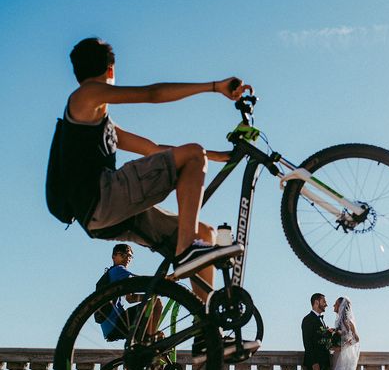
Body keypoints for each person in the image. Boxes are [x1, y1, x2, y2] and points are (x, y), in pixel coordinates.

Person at [49, 37, 252, 302]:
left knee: (204, 233)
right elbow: (152, 94)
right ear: (111, 69)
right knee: (193, 159)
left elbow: (153, 149)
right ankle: (186, 248)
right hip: (103, 198)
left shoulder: (98, 120)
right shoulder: (87, 95)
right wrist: (214, 87)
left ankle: (207, 331)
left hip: (106, 216)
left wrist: (218, 156)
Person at [94, 244, 161, 341]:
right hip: (117, 322)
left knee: (160, 337)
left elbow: (131, 298)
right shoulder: (118, 270)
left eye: (129, 256)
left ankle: (147, 344)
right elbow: (141, 282)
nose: (127, 258)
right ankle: (148, 340)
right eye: (122, 254)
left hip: (110, 328)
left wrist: (152, 294)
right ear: (113, 257)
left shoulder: (112, 275)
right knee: (157, 304)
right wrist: (165, 282)